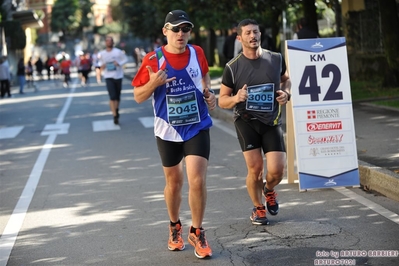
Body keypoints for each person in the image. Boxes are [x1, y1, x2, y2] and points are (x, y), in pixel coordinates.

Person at [131, 10, 216, 259]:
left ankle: (197, 231)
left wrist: (209, 94)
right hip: (167, 129)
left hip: (196, 125)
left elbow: (204, 78)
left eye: (185, 29)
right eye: (176, 29)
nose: (181, 34)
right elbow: (138, 96)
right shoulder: (153, 59)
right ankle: (174, 226)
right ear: (165, 31)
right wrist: (153, 83)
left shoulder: (197, 52)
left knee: (197, 180)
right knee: (174, 183)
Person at [218, 19, 291, 226]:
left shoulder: (276, 58)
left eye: (256, 32)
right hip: (246, 121)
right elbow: (222, 100)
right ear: (239, 38)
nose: (253, 36)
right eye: (248, 33)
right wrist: (236, 98)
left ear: (260, 34)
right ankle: (258, 208)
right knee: (256, 169)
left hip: (271, 120)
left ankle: (269, 191)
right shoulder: (232, 67)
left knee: (277, 171)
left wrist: (286, 93)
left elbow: (286, 79)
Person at [99, 36, 128, 125]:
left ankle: (116, 109)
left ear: (113, 42)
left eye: (110, 41)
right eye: (107, 41)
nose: (109, 42)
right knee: (112, 97)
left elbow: (125, 59)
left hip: (118, 76)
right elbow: (99, 63)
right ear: (105, 43)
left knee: (117, 97)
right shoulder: (102, 53)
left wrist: (118, 63)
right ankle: (115, 115)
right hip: (108, 76)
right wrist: (102, 66)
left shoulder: (118, 52)